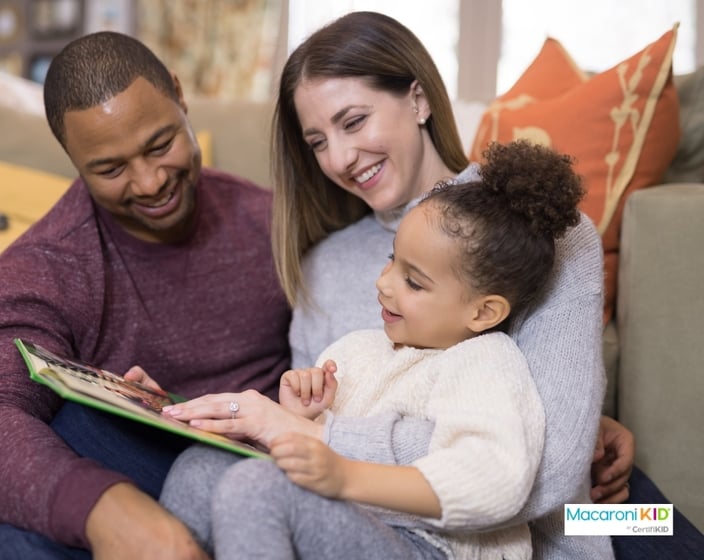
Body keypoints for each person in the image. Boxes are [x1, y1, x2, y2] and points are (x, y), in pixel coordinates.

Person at [157, 11, 700, 559]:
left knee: (660, 524)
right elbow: (308, 429)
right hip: (375, 516)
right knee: (198, 471)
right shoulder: (324, 265)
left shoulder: (545, 232)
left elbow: (545, 472)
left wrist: (587, 428)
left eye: (354, 121)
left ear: (417, 99)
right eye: (318, 141)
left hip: (556, 521)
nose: (340, 159)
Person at [0, 31, 292, 559]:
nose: (151, 181)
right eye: (111, 169)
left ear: (180, 97)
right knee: (8, 549)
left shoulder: (274, 223)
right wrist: (106, 511)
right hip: (137, 487)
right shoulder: (45, 266)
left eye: (161, 145)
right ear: (72, 156)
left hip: (269, 482)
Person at [160, 140, 588, 559]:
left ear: (484, 312)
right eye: (391, 260)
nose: (383, 284)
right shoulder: (359, 349)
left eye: (414, 282)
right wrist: (301, 415)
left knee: (257, 488)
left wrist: (345, 476)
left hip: (436, 546)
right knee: (198, 469)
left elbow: (497, 481)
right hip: (362, 525)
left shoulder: (486, 362)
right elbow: (314, 459)